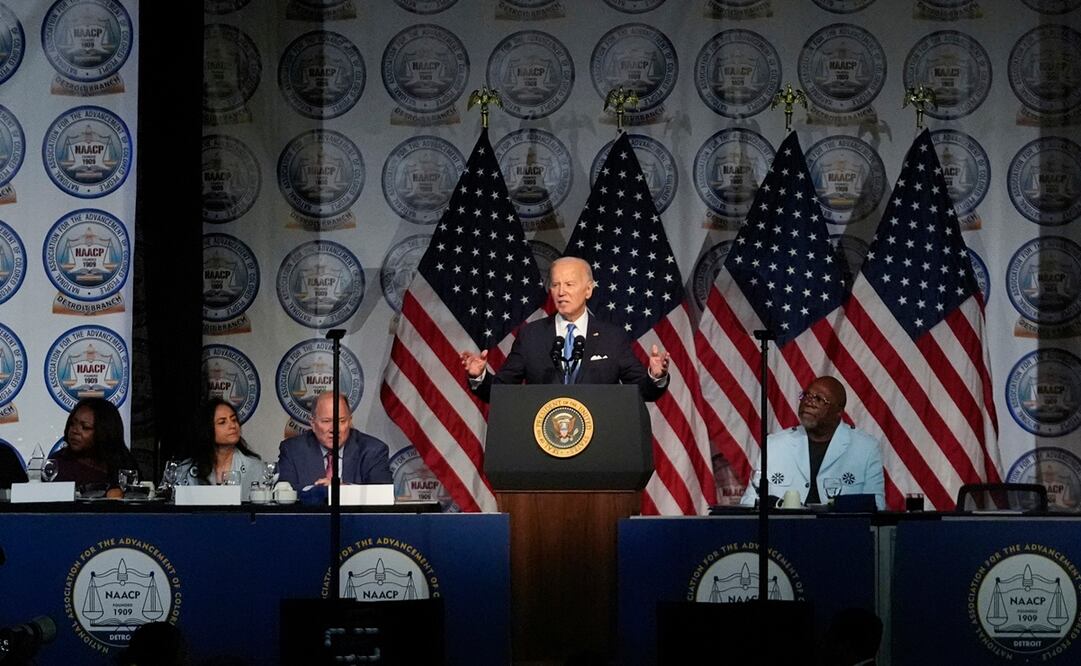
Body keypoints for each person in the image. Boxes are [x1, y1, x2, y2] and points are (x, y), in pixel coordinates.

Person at [460, 256, 670, 402]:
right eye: (555, 285)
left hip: (598, 443)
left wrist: (655, 375)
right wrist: (479, 376)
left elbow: (642, 391)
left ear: (588, 290)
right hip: (545, 443)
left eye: (569, 284)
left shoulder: (612, 337)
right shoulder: (532, 335)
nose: (561, 292)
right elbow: (501, 391)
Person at [740, 376, 885, 510]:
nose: (809, 402)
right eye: (806, 395)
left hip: (840, 533)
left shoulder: (865, 448)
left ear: (838, 411)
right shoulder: (774, 445)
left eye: (819, 399)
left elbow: (876, 507)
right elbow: (750, 502)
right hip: (784, 532)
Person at [277, 391, 392, 490]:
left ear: (350, 421)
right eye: (326, 421)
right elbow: (285, 493)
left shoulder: (373, 450)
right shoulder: (293, 450)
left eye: (341, 421)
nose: (334, 429)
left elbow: (382, 494)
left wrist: (342, 489)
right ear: (313, 423)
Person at [174, 398, 263, 501]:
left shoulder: (255, 468)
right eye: (222, 422)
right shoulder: (185, 471)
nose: (232, 426)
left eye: (234, 420)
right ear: (207, 429)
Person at [50, 397, 137, 499]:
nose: (74, 431)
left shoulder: (124, 465)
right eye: (72, 424)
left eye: (85, 427)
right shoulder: (58, 463)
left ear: (104, 432)